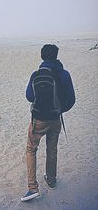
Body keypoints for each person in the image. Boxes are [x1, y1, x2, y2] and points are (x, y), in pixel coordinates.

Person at [21, 44, 75, 202]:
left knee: (31, 149)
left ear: (42, 56)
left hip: (38, 120)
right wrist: (59, 110)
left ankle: (32, 188)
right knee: (52, 149)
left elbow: (29, 97)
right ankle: (51, 180)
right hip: (55, 119)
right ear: (57, 55)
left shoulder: (36, 74)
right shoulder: (64, 74)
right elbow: (71, 100)